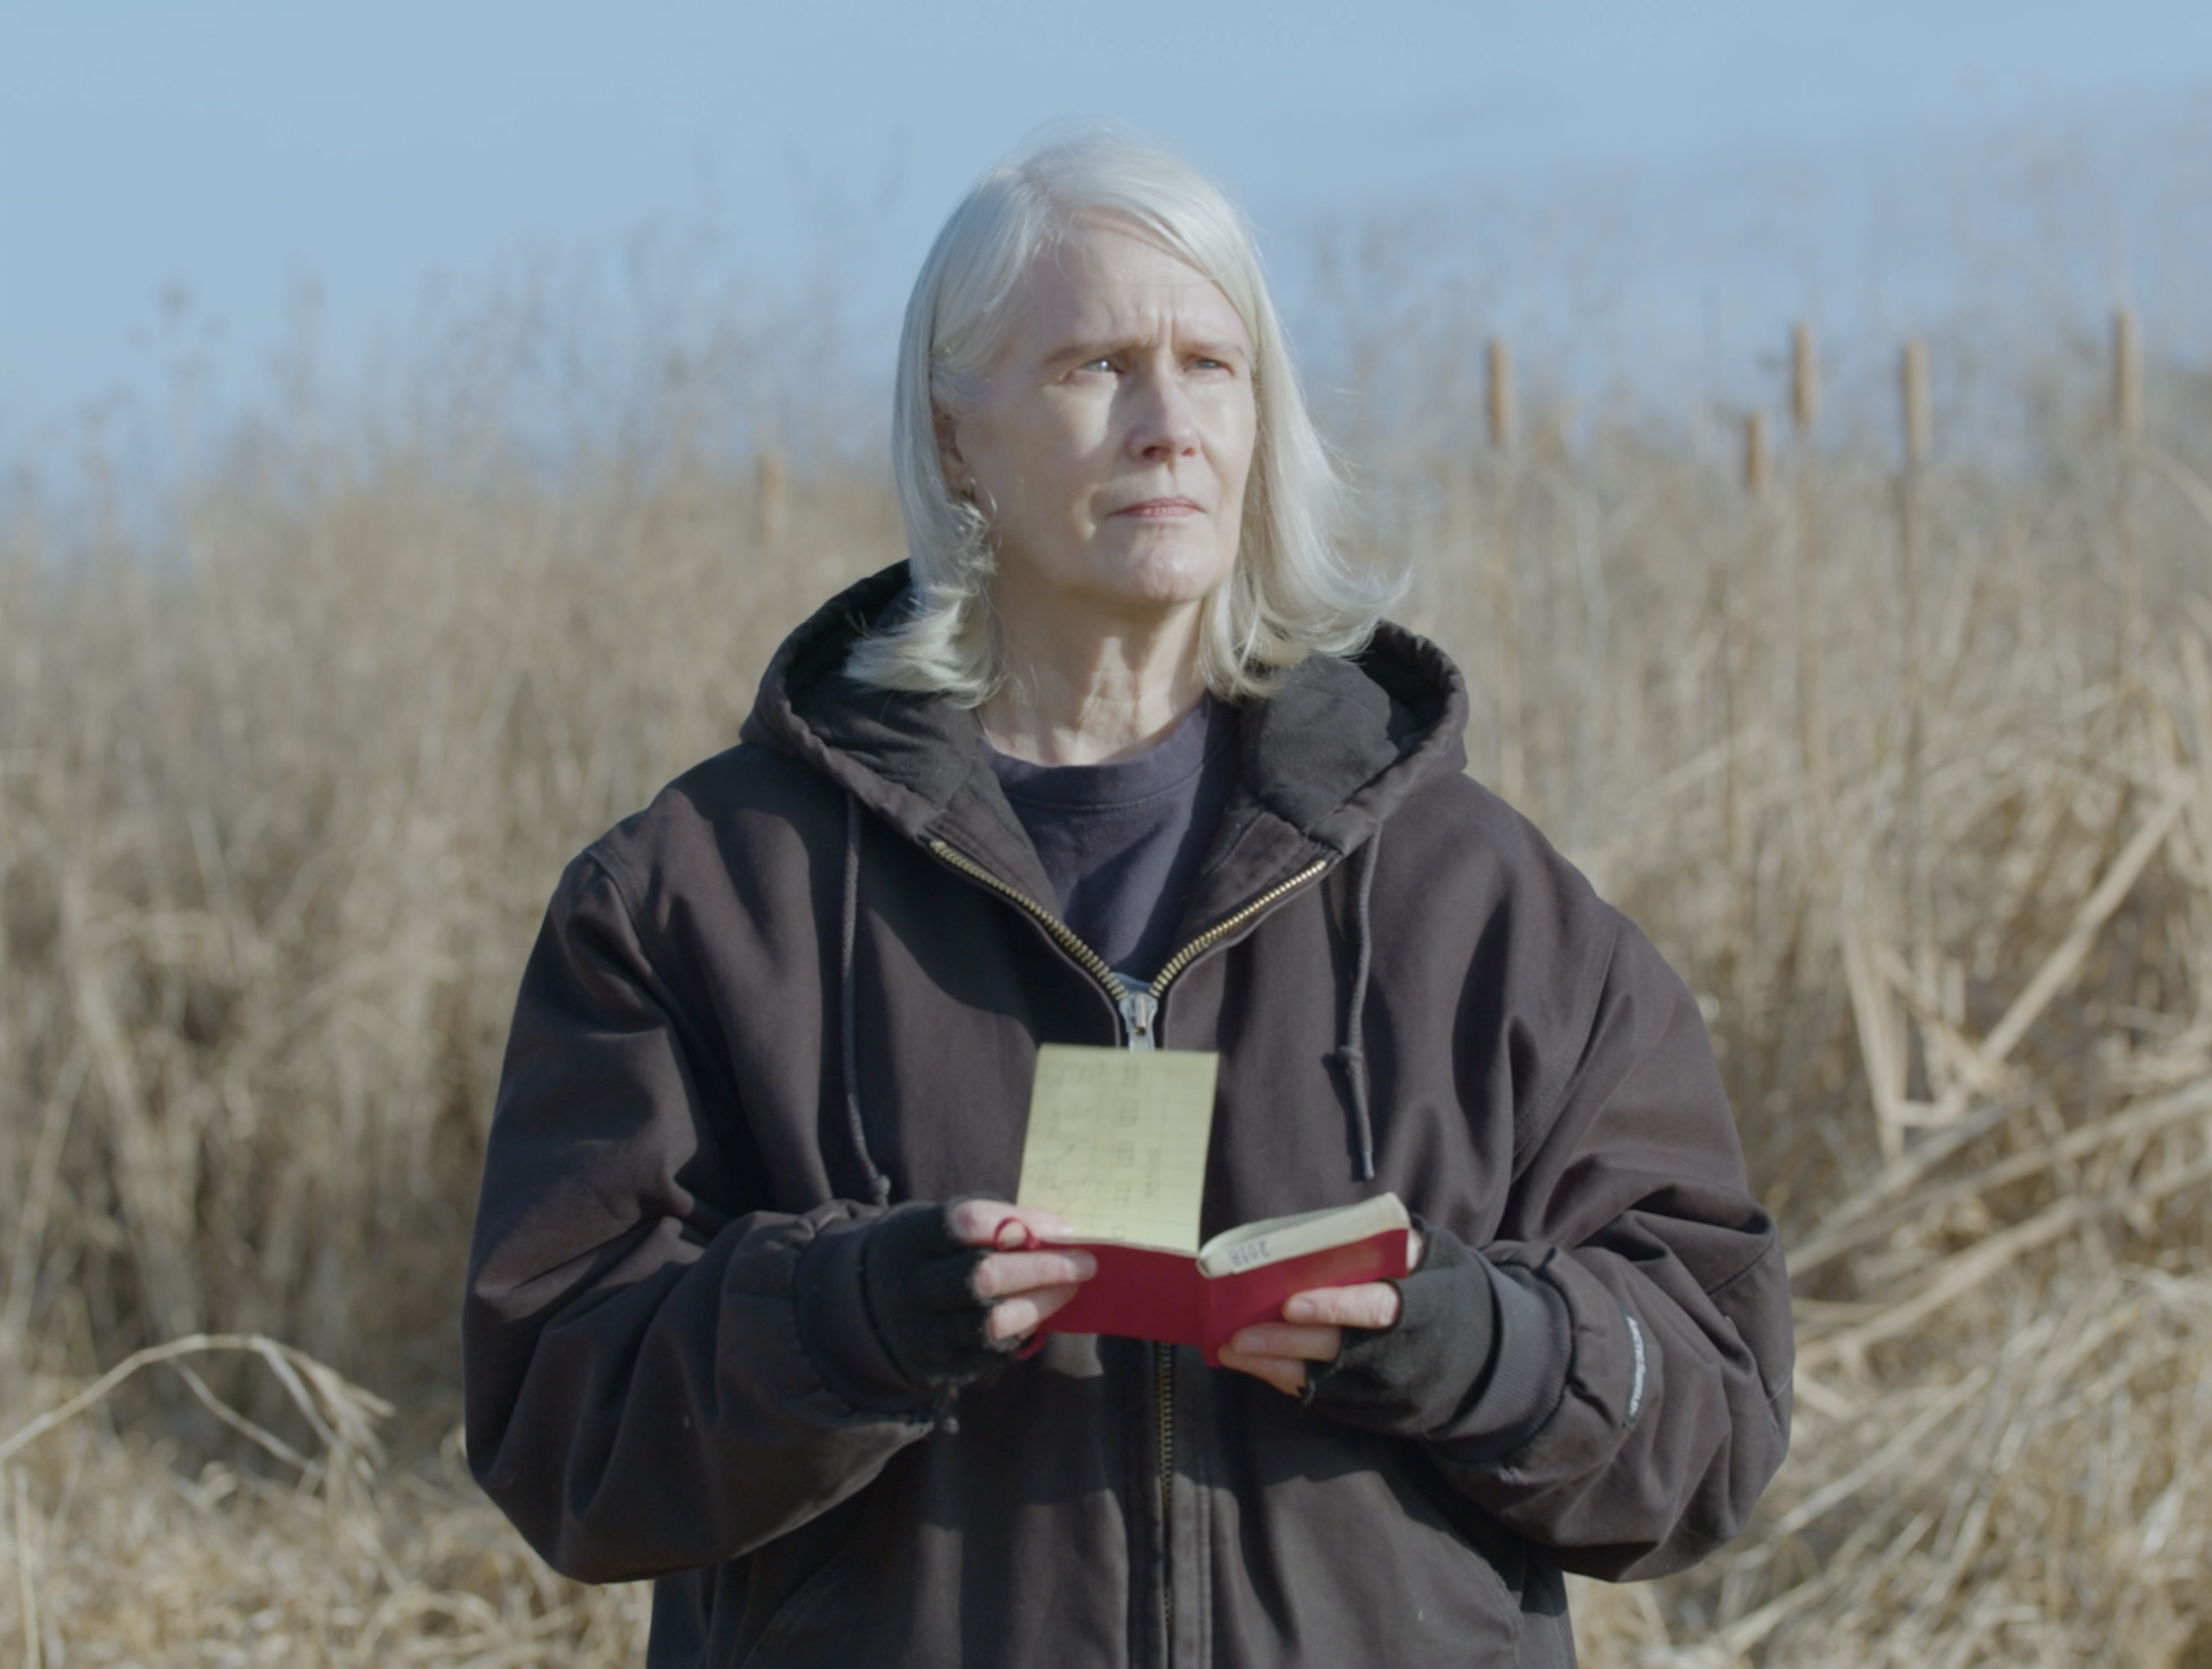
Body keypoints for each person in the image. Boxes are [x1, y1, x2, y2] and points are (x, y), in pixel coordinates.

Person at [462, 134, 1793, 1668]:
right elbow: (563, 1420)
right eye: (1098, 366)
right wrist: (852, 1317)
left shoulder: (1486, 906)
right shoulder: (703, 896)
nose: (1170, 426)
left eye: (1212, 366)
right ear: (959, 437)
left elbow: (1711, 1413)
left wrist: (1471, 1340)